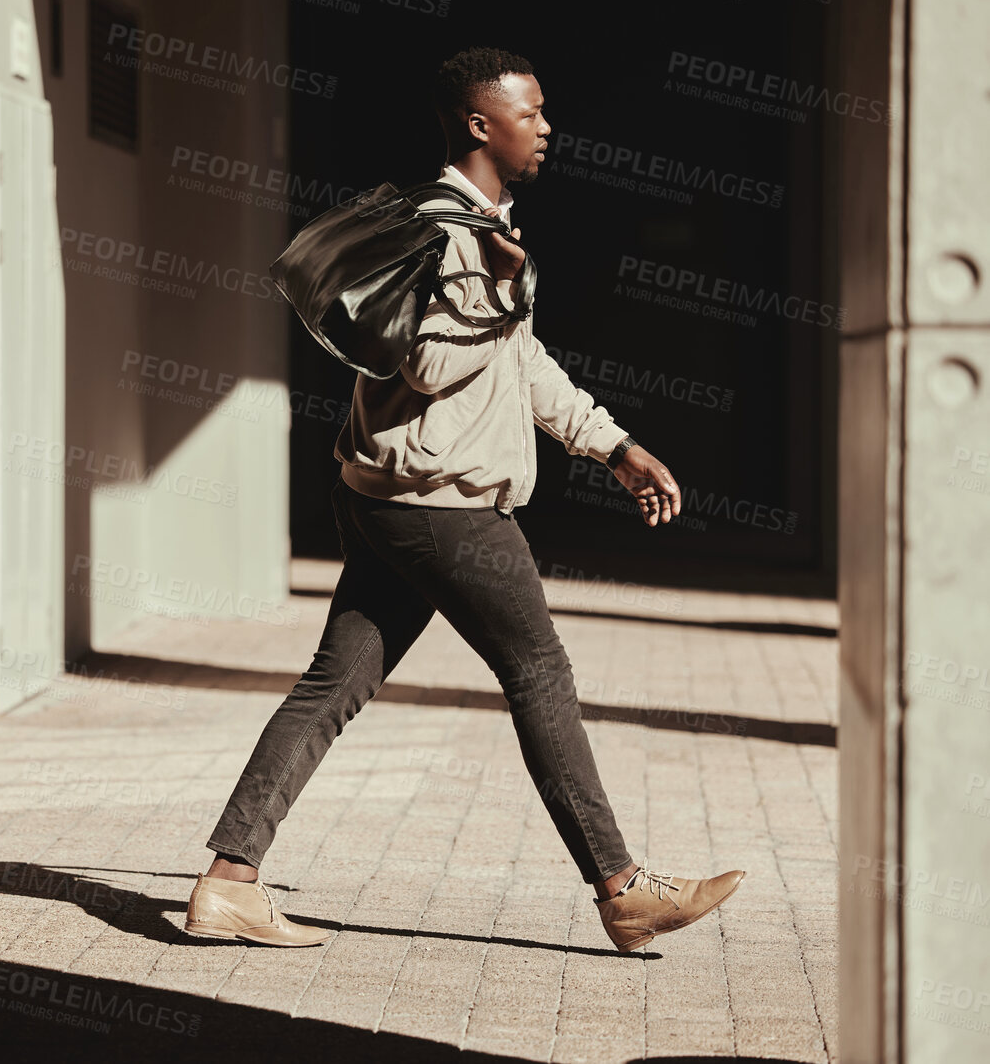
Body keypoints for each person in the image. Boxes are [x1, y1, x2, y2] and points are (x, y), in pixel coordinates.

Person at [184, 47, 743, 954]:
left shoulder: (483, 229)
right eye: (530, 113)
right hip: (441, 504)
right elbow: (428, 364)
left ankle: (229, 881)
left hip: (390, 496)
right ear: (481, 125)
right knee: (539, 671)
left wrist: (612, 445)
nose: (546, 126)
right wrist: (505, 284)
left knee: (333, 683)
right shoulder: (443, 233)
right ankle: (621, 886)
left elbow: (520, 361)